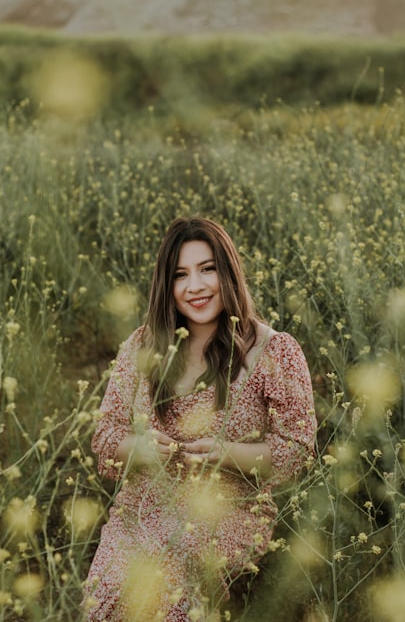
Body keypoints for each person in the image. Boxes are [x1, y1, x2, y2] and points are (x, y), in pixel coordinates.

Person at [82, 216, 317, 621]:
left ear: (229, 272)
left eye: (207, 269)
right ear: (166, 286)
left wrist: (226, 453)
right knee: (108, 599)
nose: (195, 287)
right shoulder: (144, 344)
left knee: (167, 590)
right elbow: (105, 434)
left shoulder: (275, 350)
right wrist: (137, 447)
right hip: (140, 509)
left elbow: (298, 449)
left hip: (224, 512)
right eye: (181, 275)